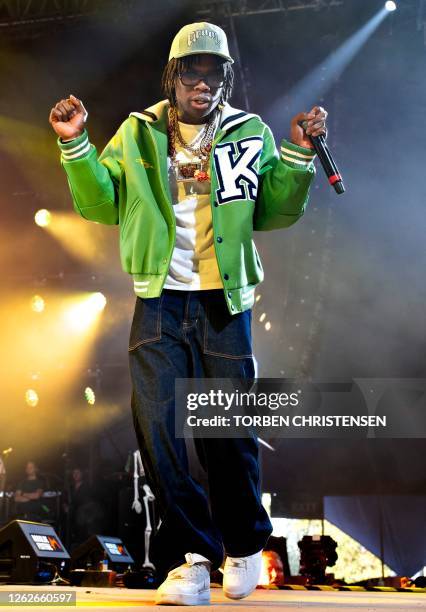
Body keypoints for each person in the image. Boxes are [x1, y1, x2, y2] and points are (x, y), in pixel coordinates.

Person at [49, 21, 327, 605]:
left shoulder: (248, 131)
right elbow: (100, 202)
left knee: (227, 433)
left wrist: (299, 154)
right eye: (192, 71)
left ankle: (247, 544)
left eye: (214, 71)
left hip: (224, 300)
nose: (203, 82)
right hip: (159, 299)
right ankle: (191, 558)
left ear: (224, 77)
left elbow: (274, 212)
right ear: (173, 77)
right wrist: (75, 143)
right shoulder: (139, 131)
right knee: (159, 431)